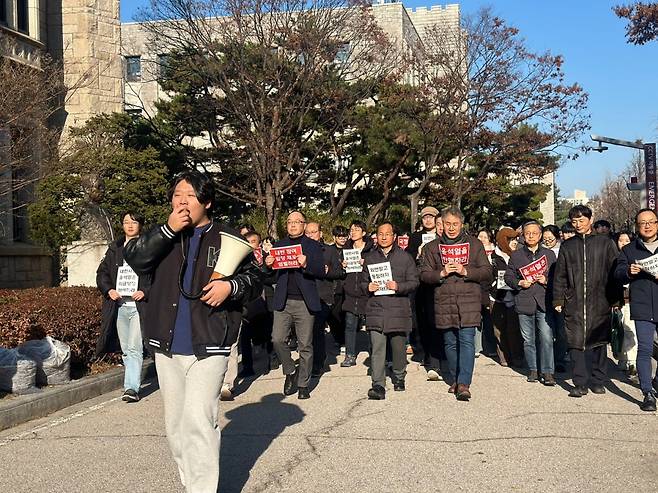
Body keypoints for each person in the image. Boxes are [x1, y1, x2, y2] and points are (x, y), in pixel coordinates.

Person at [123, 170, 262, 492]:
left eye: (190, 196)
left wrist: (231, 285)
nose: (182, 201)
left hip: (210, 343)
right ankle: (192, 484)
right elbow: (135, 259)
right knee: (176, 427)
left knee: (199, 421)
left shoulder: (228, 237)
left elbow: (256, 279)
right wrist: (169, 229)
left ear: (207, 202)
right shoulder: (162, 236)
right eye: (176, 195)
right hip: (167, 345)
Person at [420, 207, 492, 401]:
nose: (451, 228)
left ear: (462, 224)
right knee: (450, 343)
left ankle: (464, 383)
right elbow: (424, 275)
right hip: (444, 301)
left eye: (455, 224)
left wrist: (466, 271)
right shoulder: (432, 247)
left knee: (467, 341)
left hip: (469, 300)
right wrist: (441, 273)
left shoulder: (475, 244)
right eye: (448, 224)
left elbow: (487, 272)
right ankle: (455, 378)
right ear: (441, 225)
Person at [553, 205, 620, 398]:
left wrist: (616, 299)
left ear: (590, 220)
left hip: (600, 299)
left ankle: (598, 380)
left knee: (599, 341)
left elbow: (614, 272)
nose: (578, 224)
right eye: (574, 221)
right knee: (575, 342)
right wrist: (558, 298)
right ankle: (579, 382)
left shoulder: (605, 243)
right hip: (574, 301)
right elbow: (560, 275)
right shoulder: (568, 245)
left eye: (581, 220)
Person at [265, 211, 325, 399]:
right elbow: (270, 276)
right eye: (289, 221)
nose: (292, 225)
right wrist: (268, 264)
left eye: (296, 222)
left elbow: (320, 272)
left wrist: (306, 264)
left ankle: (303, 384)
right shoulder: (279, 245)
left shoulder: (313, 246)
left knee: (305, 345)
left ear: (304, 225)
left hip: (304, 302)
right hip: (283, 300)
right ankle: (290, 370)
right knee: (277, 339)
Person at [96, 212, 150, 403]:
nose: (129, 225)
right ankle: (130, 384)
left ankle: (131, 388)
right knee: (126, 349)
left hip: (138, 306)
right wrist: (108, 289)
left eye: (134, 222)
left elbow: (157, 275)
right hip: (118, 305)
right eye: (126, 222)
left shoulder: (148, 247)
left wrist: (145, 290)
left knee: (135, 348)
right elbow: (102, 273)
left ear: (140, 225)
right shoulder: (115, 248)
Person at [361, 222, 419, 399]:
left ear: (394, 236)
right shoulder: (370, 258)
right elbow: (362, 282)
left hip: (398, 309)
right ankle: (378, 384)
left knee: (399, 347)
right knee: (377, 348)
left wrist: (399, 286)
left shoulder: (405, 257)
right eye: (380, 234)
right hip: (376, 309)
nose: (384, 237)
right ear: (376, 237)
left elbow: (414, 282)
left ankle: (399, 375)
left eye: (388, 234)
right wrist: (367, 286)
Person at [615, 210, 658, 411]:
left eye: (651, 222)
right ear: (637, 226)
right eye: (643, 223)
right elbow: (618, 273)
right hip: (642, 306)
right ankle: (647, 392)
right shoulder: (630, 250)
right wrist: (627, 273)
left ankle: (655, 381)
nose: (647, 226)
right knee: (646, 348)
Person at [504, 221, 557, 385]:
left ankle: (548, 372)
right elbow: (508, 277)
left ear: (540, 235)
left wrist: (546, 280)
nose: (531, 236)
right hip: (524, 300)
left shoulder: (549, 255)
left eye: (535, 233)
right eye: (528, 233)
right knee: (528, 339)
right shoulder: (516, 255)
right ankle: (533, 369)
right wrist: (519, 283)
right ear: (523, 235)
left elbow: (557, 277)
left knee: (547, 338)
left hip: (543, 300)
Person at [407, 206, 443, 377]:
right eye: (425, 217)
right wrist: (418, 252)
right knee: (422, 319)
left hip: (439, 283)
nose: (428, 220)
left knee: (438, 319)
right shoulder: (415, 237)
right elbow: (408, 257)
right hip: (420, 283)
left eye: (431, 217)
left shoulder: (442, 237)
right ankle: (426, 353)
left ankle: (439, 354)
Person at [305, 221, 344, 376]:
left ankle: (318, 363)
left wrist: (327, 271)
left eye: (313, 232)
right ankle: (308, 361)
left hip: (323, 296)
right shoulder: (300, 250)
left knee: (316, 330)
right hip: (304, 296)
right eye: (307, 232)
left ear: (320, 233)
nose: (310, 235)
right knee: (306, 332)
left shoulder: (328, 251)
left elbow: (340, 273)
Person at [341, 220, 375, 367]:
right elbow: (339, 271)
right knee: (349, 324)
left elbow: (377, 268)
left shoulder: (371, 250)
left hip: (367, 292)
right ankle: (350, 355)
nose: (353, 232)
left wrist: (366, 263)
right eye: (352, 229)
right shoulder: (346, 249)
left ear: (364, 233)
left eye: (357, 229)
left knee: (371, 326)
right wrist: (342, 266)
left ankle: (375, 354)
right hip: (350, 292)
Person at [491, 227, 525, 367]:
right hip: (496, 297)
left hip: (515, 296)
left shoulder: (518, 255)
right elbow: (487, 278)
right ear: (502, 240)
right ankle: (504, 356)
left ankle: (517, 357)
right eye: (510, 239)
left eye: (515, 239)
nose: (514, 242)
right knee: (499, 329)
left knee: (514, 328)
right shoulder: (492, 257)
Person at [612, 230, 638, 376]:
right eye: (621, 240)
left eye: (627, 241)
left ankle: (632, 362)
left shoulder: (635, 258)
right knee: (618, 330)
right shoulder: (613, 258)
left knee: (629, 330)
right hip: (616, 301)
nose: (623, 243)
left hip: (630, 300)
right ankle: (622, 359)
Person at [543, 224, 567, 373]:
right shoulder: (540, 251)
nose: (547, 241)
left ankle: (559, 359)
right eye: (544, 238)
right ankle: (547, 359)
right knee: (546, 331)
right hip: (542, 295)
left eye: (549, 238)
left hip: (559, 295)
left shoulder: (563, 251)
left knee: (561, 330)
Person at [327, 225, 349, 348]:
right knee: (333, 314)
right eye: (339, 236)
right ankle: (338, 337)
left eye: (344, 235)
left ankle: (344, 339)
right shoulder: (329, 250)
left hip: (347, 286)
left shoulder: (350, 249)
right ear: (334, 237)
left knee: (345, 314)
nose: (342, 238)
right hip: (333, 287)